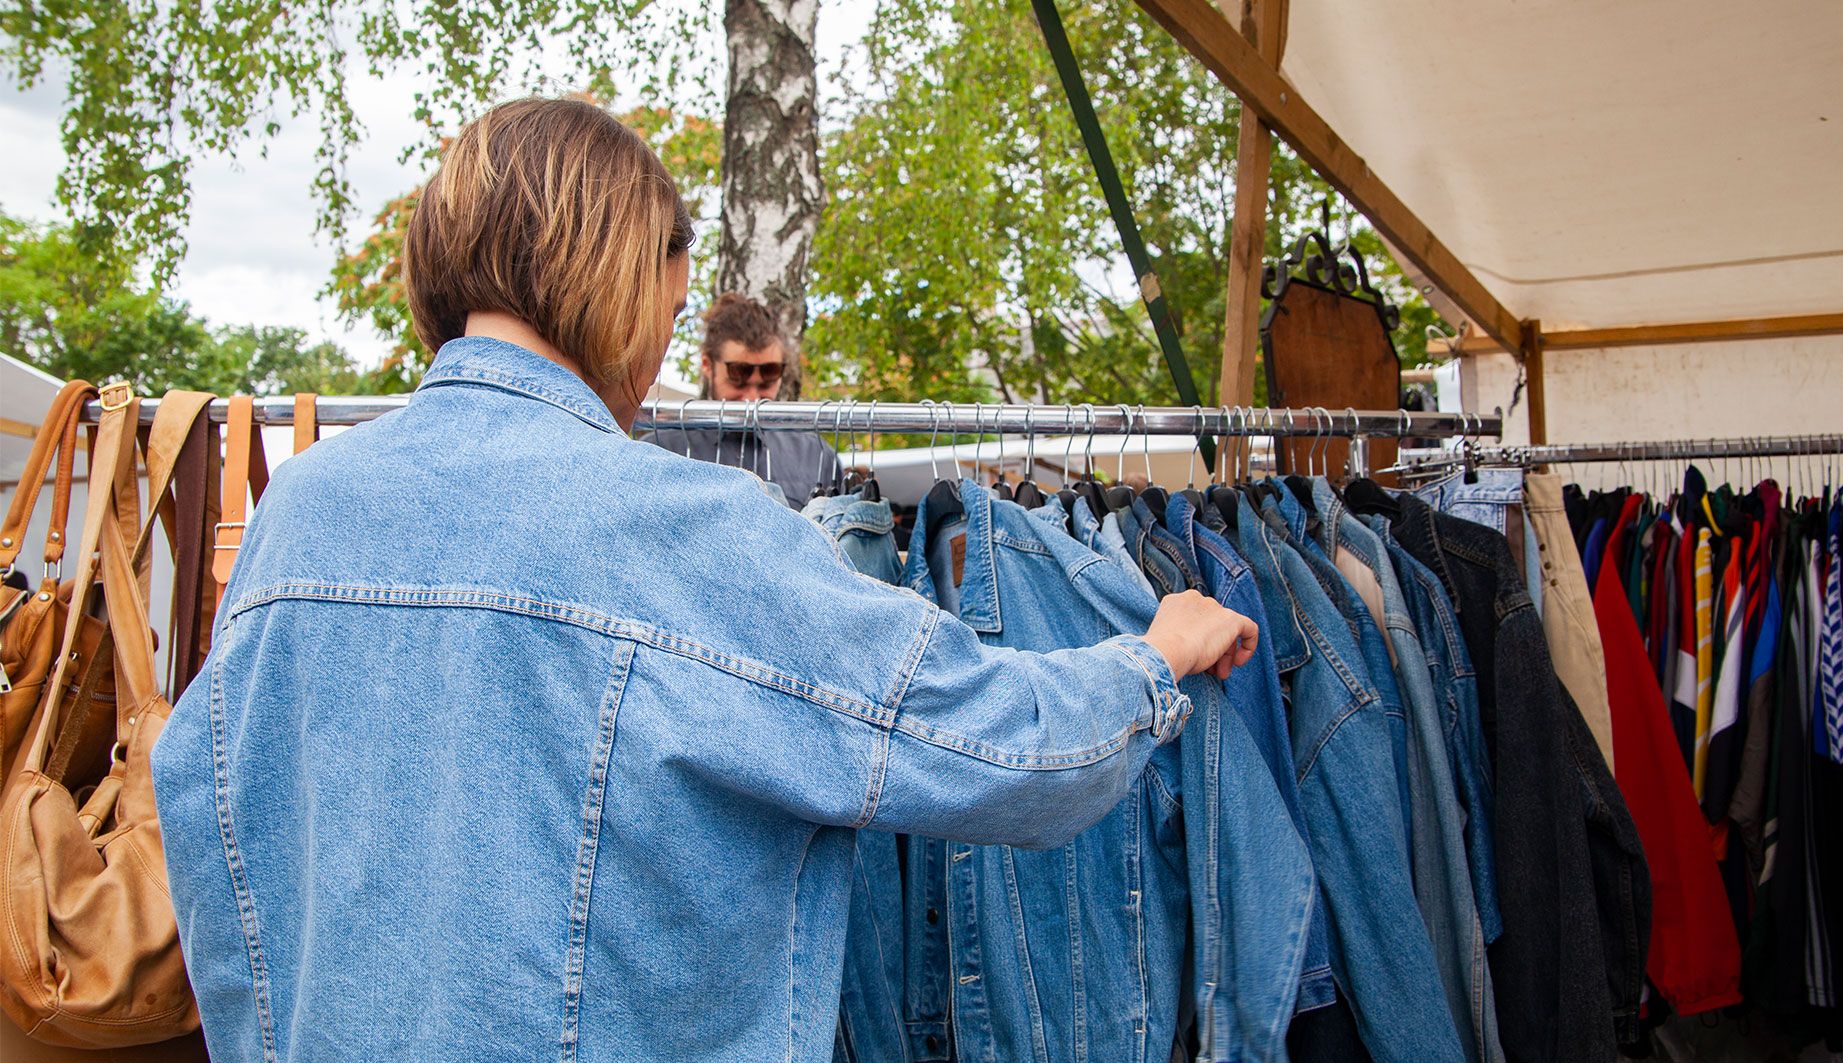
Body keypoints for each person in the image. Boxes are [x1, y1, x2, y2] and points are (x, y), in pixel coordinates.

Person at [150, 97, 1257, 1061]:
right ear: (621, 284)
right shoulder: (681, 529)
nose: (661, 353)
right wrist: (1155, 657)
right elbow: (992, 747)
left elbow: (203, 826)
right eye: (670, 313)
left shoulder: (300, 512)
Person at [645, 291, 839, 509]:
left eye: (767, 380)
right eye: (738, 378)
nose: (752, 398)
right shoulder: (659, 451)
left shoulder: (817, 456)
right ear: (708, 365)